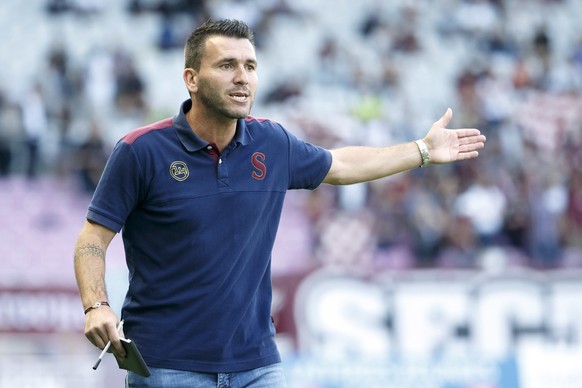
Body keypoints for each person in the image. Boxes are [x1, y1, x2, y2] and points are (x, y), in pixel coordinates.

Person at [73, 18, 486, 387]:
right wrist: (97, 305)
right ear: (191, 79)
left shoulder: (271, 142)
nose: (242, 78)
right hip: (169, 366)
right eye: (226, 66)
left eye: (250, 67)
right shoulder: (140, 151)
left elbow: (340, 164)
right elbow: (93, 238)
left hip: (258, 364)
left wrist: (421, 150)